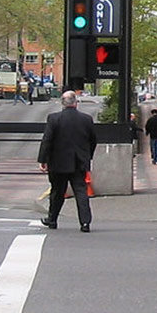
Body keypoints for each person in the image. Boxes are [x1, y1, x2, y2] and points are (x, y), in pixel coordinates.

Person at [37, 89, 97, 232]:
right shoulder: (86, 119)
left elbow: (47, 140)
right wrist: (88, 156)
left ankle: (52, 219)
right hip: (79, 161)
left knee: (57, 192)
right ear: (76, 103)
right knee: (81, 191)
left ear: (62, 104)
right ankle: (85, 223)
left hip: (58, 162)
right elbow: (93, 140)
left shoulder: (54, 118)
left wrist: (43, 160)